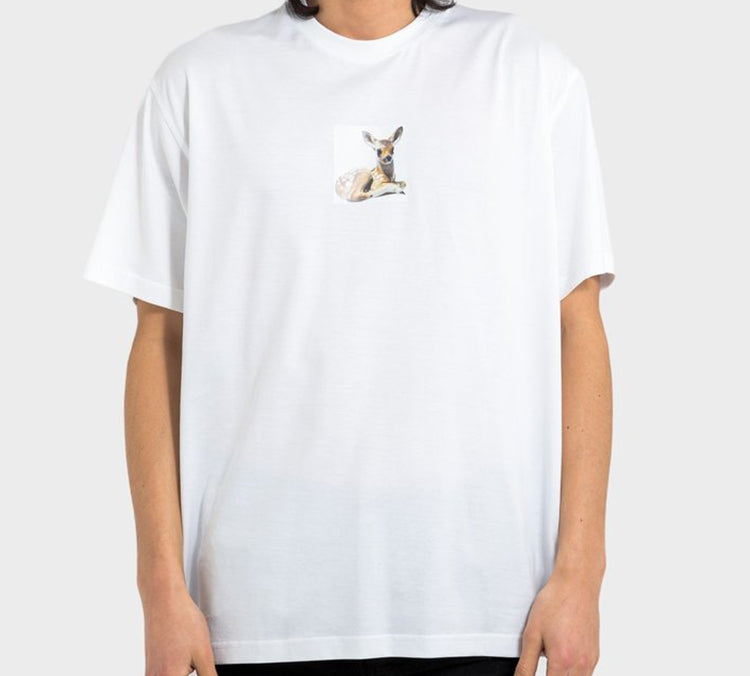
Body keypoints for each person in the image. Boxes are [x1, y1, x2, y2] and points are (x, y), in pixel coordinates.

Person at [83, 1, 616, 675]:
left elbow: (576, 324)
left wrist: (582, 574)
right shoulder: (199, 83)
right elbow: (160, 338)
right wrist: (159, 590)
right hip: (255, 618)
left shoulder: (528, 73)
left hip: (488, 614)